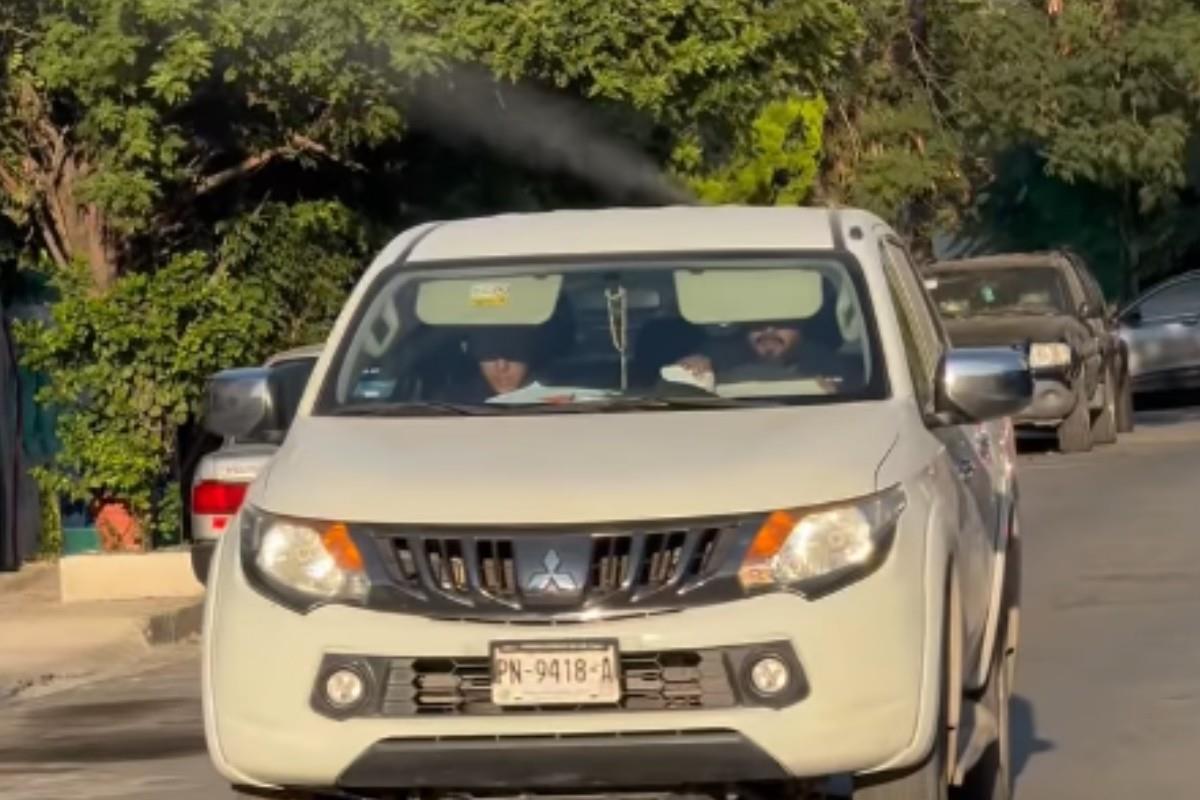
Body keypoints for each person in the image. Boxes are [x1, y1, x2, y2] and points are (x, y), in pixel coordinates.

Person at [674, 319, 853, 390]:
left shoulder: (823, 360)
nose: (769, 330)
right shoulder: (716, 356)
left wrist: (834, 393)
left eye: (783, 321)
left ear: (801, 327)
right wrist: (688, 373)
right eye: (758, 323)